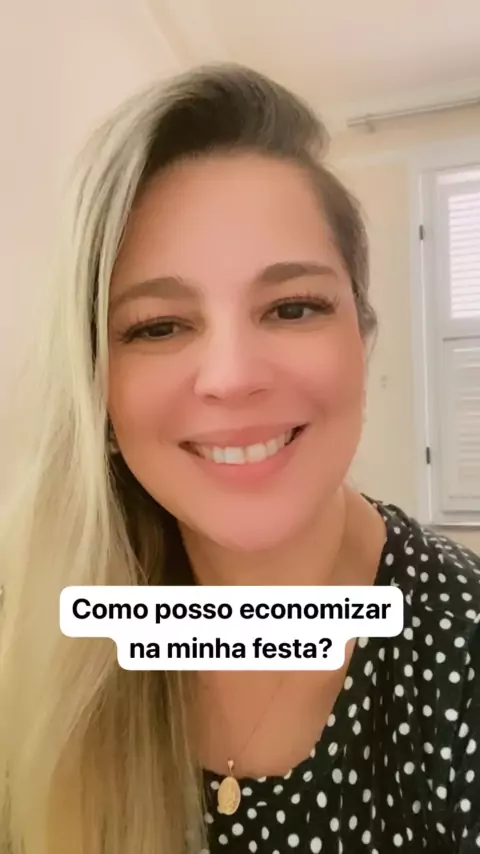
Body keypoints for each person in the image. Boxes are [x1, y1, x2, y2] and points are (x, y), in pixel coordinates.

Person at [0, 62, 479, 854]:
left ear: (360, 341)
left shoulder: (461, 650)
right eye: (158, 326)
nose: (231, 377)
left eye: (292, 308)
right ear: (99, 393)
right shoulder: (27, 638)